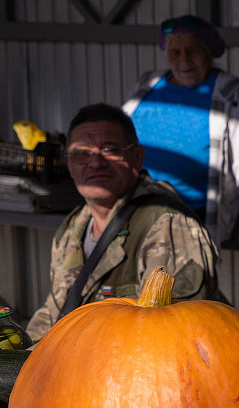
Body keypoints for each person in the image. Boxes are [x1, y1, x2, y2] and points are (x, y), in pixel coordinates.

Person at [26, 105, 220, 339]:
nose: (96, 163)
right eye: (81, 153)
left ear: (137, 157)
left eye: (110, 150)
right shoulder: (73, 225)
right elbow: (53, 313)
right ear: (69, 165)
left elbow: (170, 337)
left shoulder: (166, 223)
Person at [122, 15, 239, 264]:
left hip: (192, 220)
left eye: (193, 51)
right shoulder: (147, 85)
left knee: (185, 298)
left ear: (209, 52)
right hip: (136, 214)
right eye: (175, 52)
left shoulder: (233, 94)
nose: (184, 60)